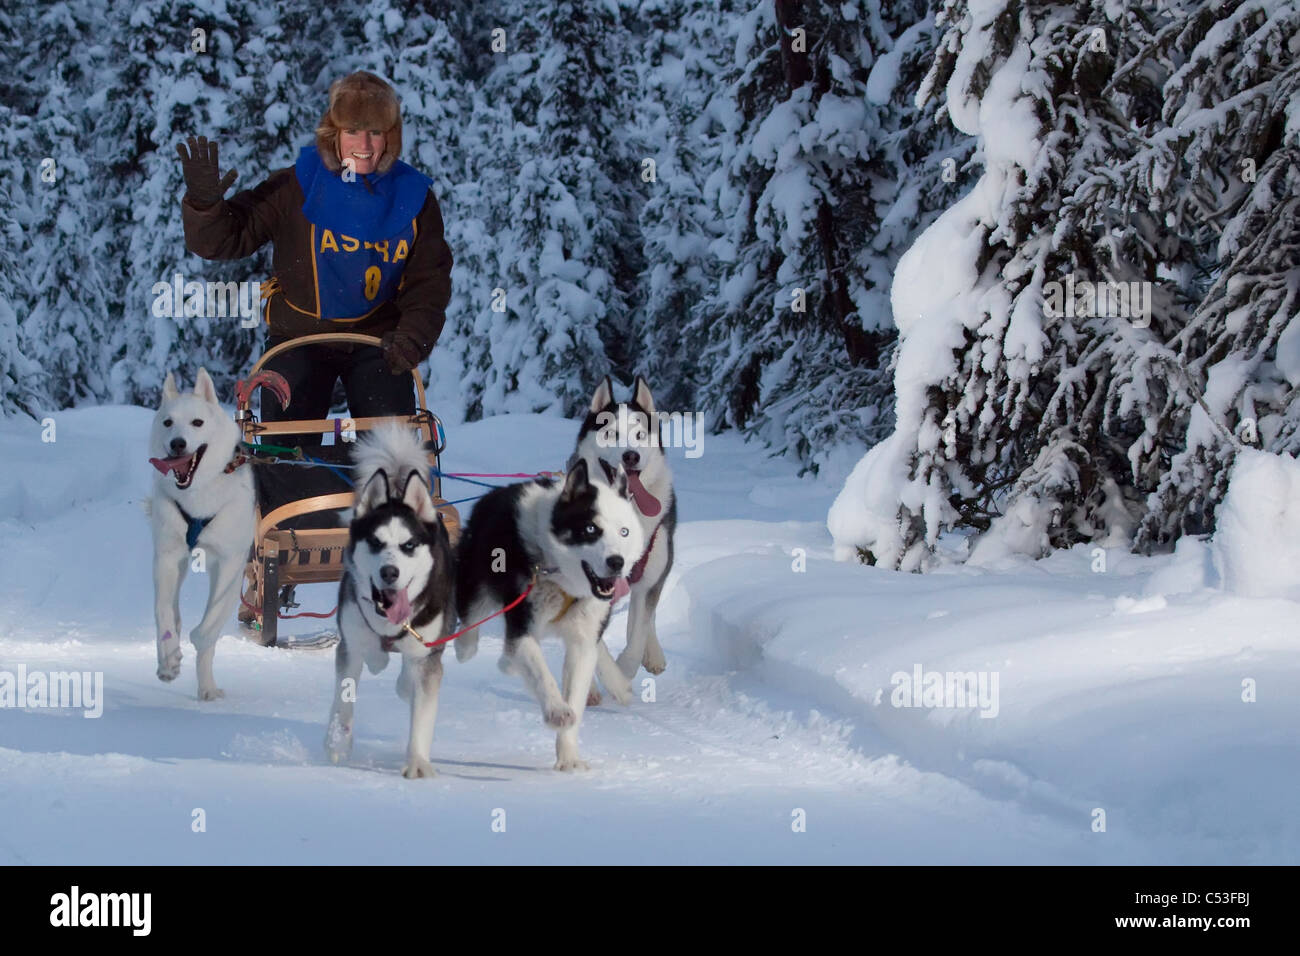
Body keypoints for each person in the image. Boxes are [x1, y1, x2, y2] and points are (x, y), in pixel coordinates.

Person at [177, 70, 452, 444]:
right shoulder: (295, 186)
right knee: (287, 425)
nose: (365, 144)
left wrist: (413, 337)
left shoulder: (415, 198)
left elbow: (429, 281)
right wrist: (206, 207)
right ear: (334, 134)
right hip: (299, 336)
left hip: (377, 340)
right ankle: (287, 492)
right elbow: (228, 239)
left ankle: (392, 496)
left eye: (375, 131)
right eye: (353, 131)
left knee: (391, 432)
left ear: (391, 136)